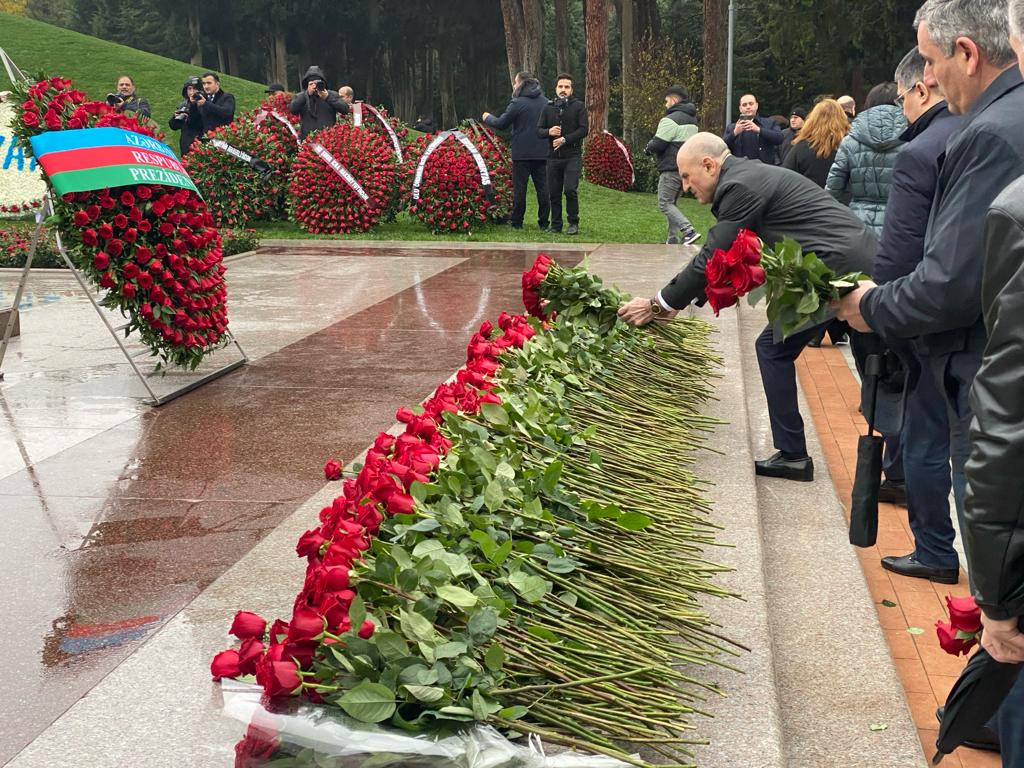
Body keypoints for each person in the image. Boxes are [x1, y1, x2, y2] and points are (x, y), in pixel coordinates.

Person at [838, 0, 1024, 589]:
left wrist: (869, 306)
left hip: (987, 372)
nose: (927, 79)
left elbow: (950, 283)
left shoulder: (991, 134)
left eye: (930, 61)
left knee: (1002, 604)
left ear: (967, 54)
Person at [619, 134, 875, 481]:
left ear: (708, 165)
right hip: (852, 256)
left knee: (773, 348)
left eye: (686, 176)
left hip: (837, 267)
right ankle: (898, 471)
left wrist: (658, 304)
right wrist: (692, 299)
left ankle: (794, 456)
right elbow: (730, 255)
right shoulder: (746, 176)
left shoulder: (739, 186)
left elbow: (712, 253)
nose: (683, 186)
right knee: (877, 358)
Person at [866, 47, 965, 585]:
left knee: (926, 437)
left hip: (931, 318)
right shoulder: (980, 133)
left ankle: (934, 551)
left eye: (903, 98)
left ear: (922, 89)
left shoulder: (922, 150)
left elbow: (898, 255)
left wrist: (879, 310)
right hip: (985, 317)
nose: (901, 108)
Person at [826, 82, 907, 233]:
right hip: (900, 223)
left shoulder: (850, 141)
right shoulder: (914, 137)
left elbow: (833, 190)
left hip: (858, 224)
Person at [483, 72, 550, 230]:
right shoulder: (546, 102)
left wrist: (487, 117)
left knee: (520, 189)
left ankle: (517, 221)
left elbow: (501, 123)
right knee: (543, 189)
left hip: (522, 153)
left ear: (521, 83)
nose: (513, 85)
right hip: (542, 152)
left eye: (515, 82)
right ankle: (544, 222)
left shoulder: (517, 103)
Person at [644, 84, 700, 245]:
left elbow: (658, 144)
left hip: (671, 167)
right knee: (671, 203)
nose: (666, 104)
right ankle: (672, 239)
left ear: (674, 100)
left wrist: (647, 148)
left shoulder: (670, 120)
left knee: (664, 203)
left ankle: (688, 230)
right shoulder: (692, 119)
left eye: (666, 101)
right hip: (685, 168)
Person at [537, 73, 588, 235]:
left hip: (572, 156)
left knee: (570, 189)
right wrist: (549, 132)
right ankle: (556, 225)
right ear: (556, 88)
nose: (563, 90)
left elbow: (584, 129)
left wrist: (565, 139)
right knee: (554, 192)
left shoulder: (578, 106)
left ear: (571, 89)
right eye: (561, 87)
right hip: (552, 157)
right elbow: (538, 130)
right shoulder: (548, 107)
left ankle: (573, 223)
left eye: (567, 87)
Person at [782, 99, 848, 187]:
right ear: (842, 118)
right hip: (841, 199)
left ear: (812, 119)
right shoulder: (849, 146)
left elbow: (785, 178)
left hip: (808, 197)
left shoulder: (801, 147)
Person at [289, 66, 349, 139]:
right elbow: (293, 110)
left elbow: (345, 109)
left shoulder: (331, 95)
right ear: (307, 85)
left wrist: (327, 97)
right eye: (311, 84)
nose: (315, 86)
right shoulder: (301, 96)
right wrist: (307, 94)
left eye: (317, 83)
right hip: (307, 140)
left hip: (328, 140)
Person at [723, 93, 784, 164]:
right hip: (740, 169)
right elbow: (722, 147)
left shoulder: (769, 122)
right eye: (744, 105)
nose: (748, 107)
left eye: (751, 104)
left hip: (764, 169)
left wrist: (759, 130)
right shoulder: (731, 127)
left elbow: (780, 138)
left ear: (756, 106)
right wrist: (734, 133)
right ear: (740, 109)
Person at [168, 75, 205, 156]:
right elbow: (173, 126)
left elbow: (198, 123)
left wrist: (193, 107)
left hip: (201, 143)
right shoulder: (183, 105)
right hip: (186, 144)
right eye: (189, 89)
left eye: (195, 88)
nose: (192, 92)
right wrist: (176, 117)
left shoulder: (205, 103)